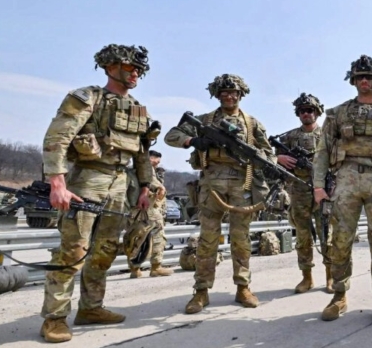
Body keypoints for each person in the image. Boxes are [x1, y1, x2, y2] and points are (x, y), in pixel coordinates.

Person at [39, 44, 155, 343]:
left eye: (139, 69)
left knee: (104, 251)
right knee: (72, 252)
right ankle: (55, 318)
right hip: (87, 180)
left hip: (120, 184)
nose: (136, 74)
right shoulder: (88, 97)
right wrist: (57, 182)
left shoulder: (139, 108)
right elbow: (58, 136)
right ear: (110, 67)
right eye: (130, 68)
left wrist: (145, 187)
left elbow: (142, 153)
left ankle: (91, 308)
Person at [312, 55, 372, 327]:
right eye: (359, 77)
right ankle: (339, 295)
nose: (364, 80)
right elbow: (321, 152)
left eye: (369, 76)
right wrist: (319, 186)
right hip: (345, 181)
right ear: (353, 80)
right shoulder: (337, 113)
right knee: (340, 241)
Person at [165, 74, 273, 314]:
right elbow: (171, 136)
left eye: (234, 93)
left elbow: (267, 153)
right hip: (211, 184)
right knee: (207, 240)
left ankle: (243, 287)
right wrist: (194, 140)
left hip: (241, 184)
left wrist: (262, 161)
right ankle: (201, 291)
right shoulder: (205, 120)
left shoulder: (252, 123)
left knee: (241, 239)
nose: (229, 97)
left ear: (241, 94)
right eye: (224, 93)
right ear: (217, 95)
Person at [275, 93, 333, 294]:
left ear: (317, 112)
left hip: (324, 191)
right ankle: (306, 278)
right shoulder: (290, 137)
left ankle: (330, 277)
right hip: (299, 191)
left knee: (327, 234)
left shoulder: (327, 135)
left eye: (309, 110)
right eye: (302, 111)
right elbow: (268, 153)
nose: (306, 114)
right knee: (303, 236)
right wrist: (278, 158)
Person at [127, 150, 172, 278]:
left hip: (133, 209)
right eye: (156, 161)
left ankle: (134, 269)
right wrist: (161, 187)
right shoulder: (146, 168)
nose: (157, 164)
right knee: (158, 234)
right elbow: (151, 182)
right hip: (148, 208)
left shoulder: (132, 169)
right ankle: (156, 267)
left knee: (135, 237)